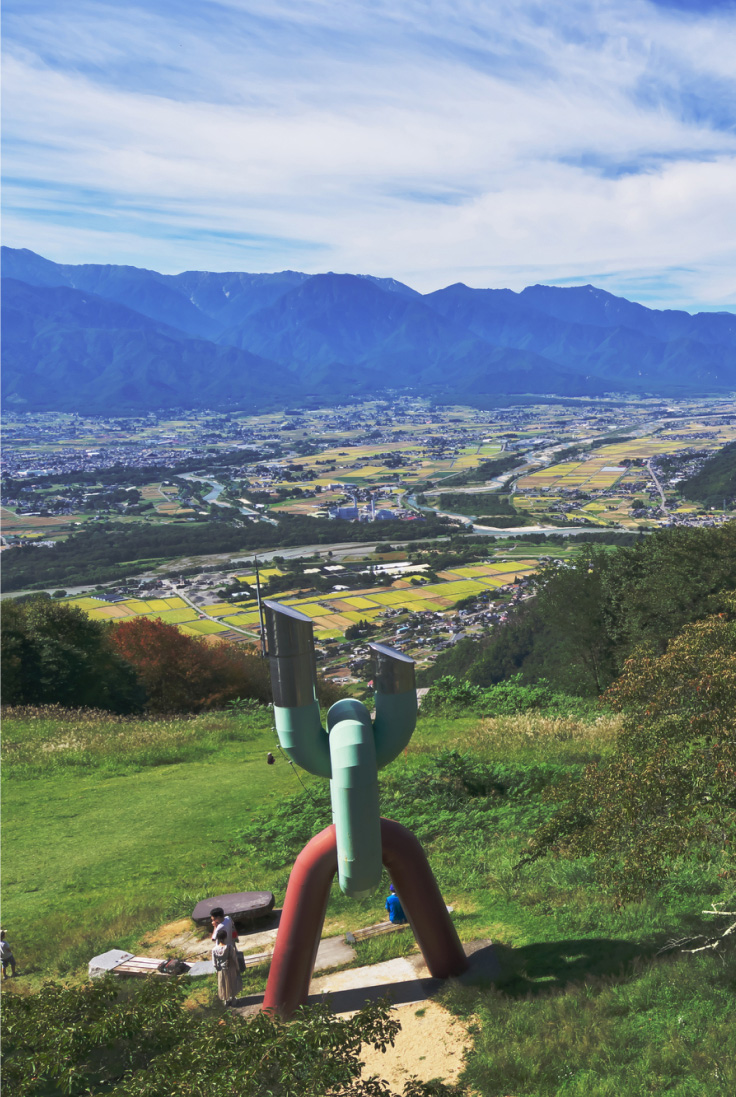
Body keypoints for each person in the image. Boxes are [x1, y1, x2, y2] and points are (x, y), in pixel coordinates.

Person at [212, 927, 242, 1005]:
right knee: (232, 982)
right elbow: (235, 959)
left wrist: (217, 969)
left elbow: (214, 963)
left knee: (223, 984)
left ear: (217, 938)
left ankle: (226, 1000)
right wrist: (237, 968)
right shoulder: (229, 947)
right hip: (231, 968)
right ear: (225, 937)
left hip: (221, 969)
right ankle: (233, 999)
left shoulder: (214, 950)